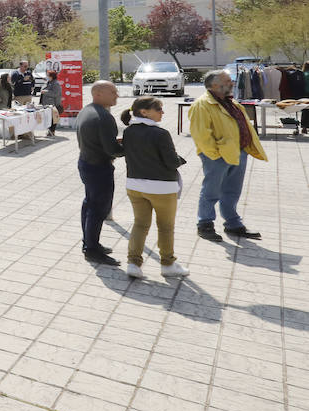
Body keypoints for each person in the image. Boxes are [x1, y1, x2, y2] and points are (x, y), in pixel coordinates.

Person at [189, 70, 267, 242]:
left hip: (238, 152)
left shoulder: (230, 102)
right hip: (217, 156)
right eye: (227, 80)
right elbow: (201, 135)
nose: (232, 82)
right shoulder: (202, 105)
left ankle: (233, 224)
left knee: (232, 191)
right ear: (215, 85)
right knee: (211, 191)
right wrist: (214, 156)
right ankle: (205, 224)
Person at [120, 97, 190, 279]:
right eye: (158, 109)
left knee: (140, 224)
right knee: (165, 226)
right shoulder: (160, 134)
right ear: (144, 112)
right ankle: (168, 264)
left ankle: (133, 263)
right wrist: (180, 160)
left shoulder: (129, 132)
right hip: (162, 187)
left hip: (134, 185)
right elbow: (171, 161)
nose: (162, 112)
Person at [75, 81, 124, 265]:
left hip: (86, 163)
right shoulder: (103, 116)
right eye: (113, 92)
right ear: (99, 93)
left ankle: (90, 242)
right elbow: (112, 150)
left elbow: (97, 139)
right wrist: (131, 147)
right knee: (98, 209)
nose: (116, 95)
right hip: (98, 167)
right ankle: (92, 249)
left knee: (89, 205)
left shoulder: (86, 110)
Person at [40, 69, 63, 136]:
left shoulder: (56, 83)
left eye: (48, 75)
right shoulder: (48, 82)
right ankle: (50, 131)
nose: (46, 76)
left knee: (53, 119)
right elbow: (42, 88)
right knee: (49, 118)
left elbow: (56, 93)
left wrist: (45, 92)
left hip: (53, 104)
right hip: (47, 103)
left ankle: (52, 131)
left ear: (51, 76)